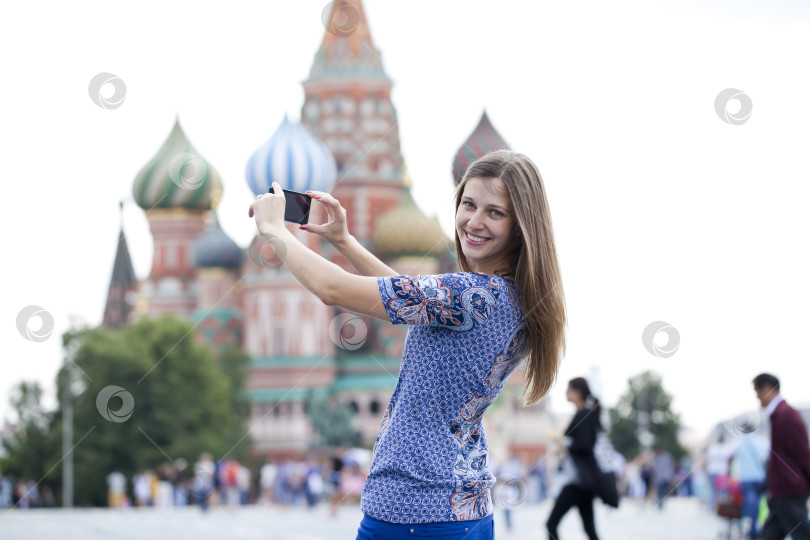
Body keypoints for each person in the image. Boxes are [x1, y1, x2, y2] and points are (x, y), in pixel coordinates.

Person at [250, 150, 567, 539]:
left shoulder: (469, 294)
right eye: (468, 204)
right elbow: (405, 297)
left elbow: (330, 288)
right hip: (462, 508)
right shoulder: (508, 295)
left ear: (521, 226)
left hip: (414, 510)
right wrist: (347, 243)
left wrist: (275, 230)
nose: (474, 221)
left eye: (495, 212)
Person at [752, 373, 810, 540]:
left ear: (768, 388)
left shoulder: (786, 415)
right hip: (782, 491)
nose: (758, 398)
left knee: (802, 534)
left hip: (789, 490)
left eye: (758, 392)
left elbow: (801, 452)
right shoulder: (780, 414)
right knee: (770, 535)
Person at [545, 377, 604, 540]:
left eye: (568, 389)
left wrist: (565, 445)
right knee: (590, 530)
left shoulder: (584, 414)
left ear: (577, 392)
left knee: (551, 524)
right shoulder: (586, 414)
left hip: (578, 481)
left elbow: (585, 445)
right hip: (584, 482)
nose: (566, 392)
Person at [731, 430, 769, 539]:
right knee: (757, 503)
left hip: (746, 477)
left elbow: (731, 457)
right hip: (760, 477)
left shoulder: (738, 442)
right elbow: (767, 457)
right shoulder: (761, 441)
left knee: (751, 504)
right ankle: (756, 526)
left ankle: (753, 529)